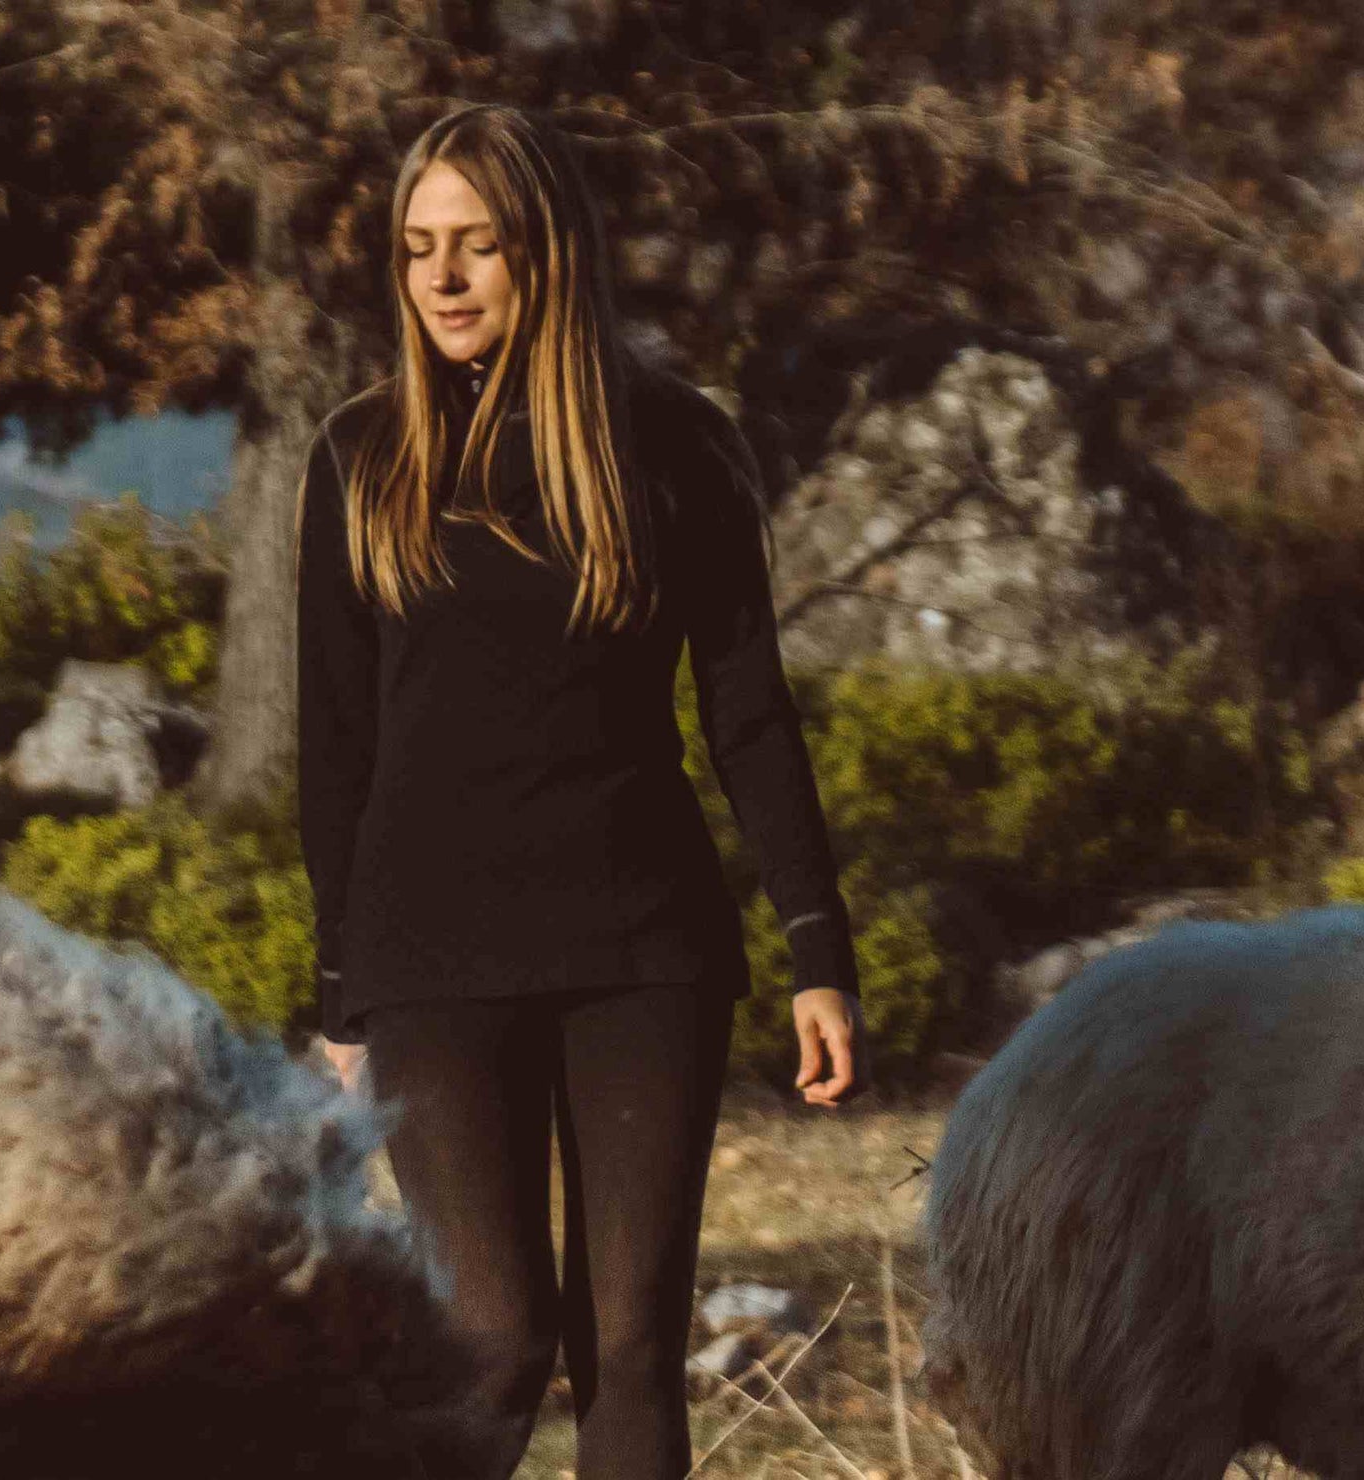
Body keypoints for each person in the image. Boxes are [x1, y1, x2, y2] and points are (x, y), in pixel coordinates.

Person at [292, 102, 862, 1480]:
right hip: (433, 957)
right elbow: (337, 752)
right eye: (419, 247)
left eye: (476, 246)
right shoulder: (361, 460)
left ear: (545, 255)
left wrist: (815, 950)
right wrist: (340, 994)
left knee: (630, 1349)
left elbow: (749, 715)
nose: (440, 277)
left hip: (641, 952)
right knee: (491, 1339)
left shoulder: (672, 446)